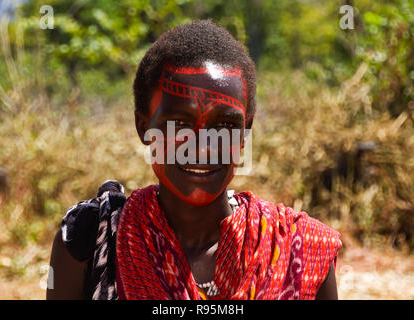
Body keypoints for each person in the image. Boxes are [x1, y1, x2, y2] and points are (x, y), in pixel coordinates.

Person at [47, 20, 342, 300]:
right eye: (180, 124)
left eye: (224, 125)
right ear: (144, 128)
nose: (202, 146)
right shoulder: (91, 241)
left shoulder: (300, 251)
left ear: (244, 134)